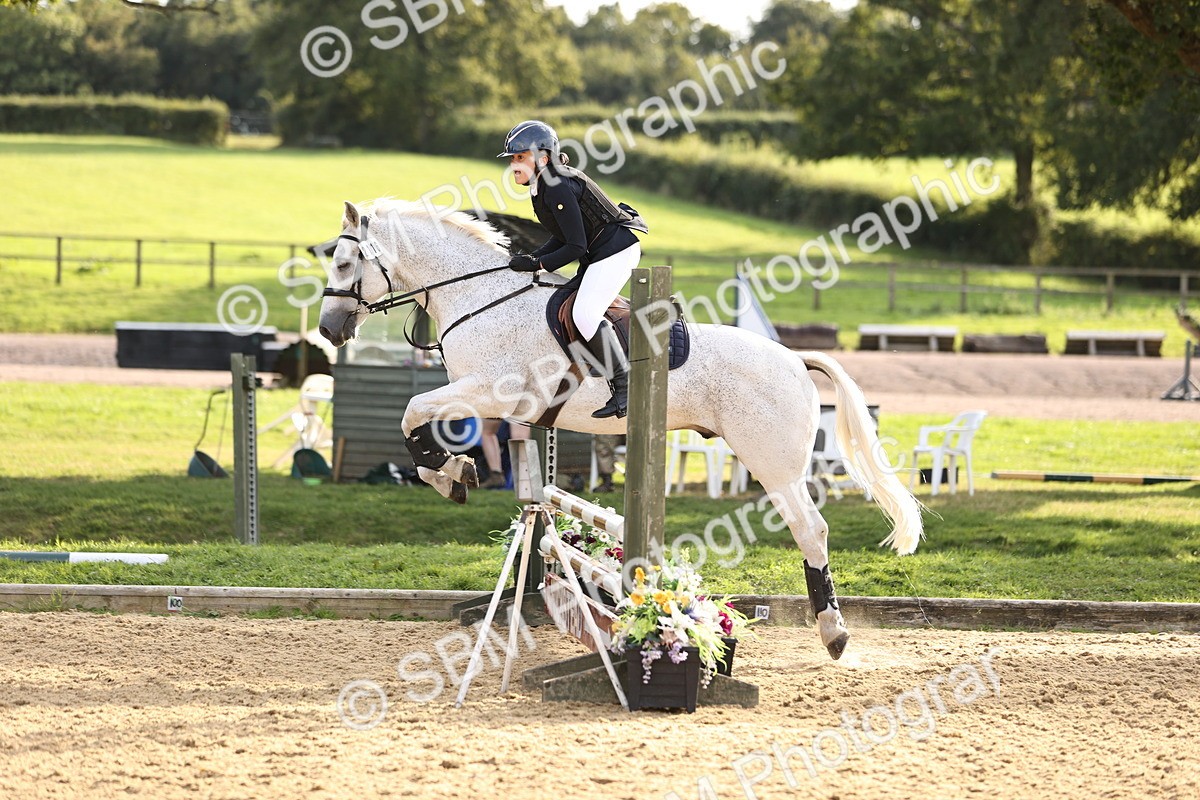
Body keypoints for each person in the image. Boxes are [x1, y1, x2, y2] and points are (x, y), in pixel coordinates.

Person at [498, 120, 648, 419]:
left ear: (542, 157)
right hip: (599, 253)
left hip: (615, 252)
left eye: (519, 158)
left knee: (584, 313)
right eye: (513, 159)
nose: (514, 165)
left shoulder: (556, 186)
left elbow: (576, 246)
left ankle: (625, 385)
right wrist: (534, 257)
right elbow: (563, 234)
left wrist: (539, 264)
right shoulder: (544, 183)